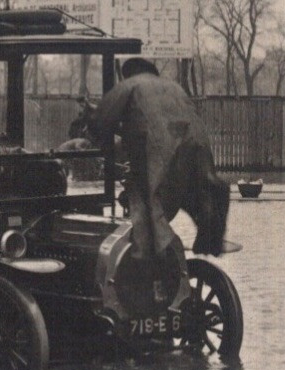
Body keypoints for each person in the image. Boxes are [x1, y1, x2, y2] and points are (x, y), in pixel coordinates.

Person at [90, 57, 230, 260]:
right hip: (197, 148)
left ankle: (154, 257)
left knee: (146, 201)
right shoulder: (174, 87)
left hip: (163, 151)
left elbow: (100, 121)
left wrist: (92, 120)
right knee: (195, 193)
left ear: (128, 73)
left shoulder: (130, 84)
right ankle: (207, 238)